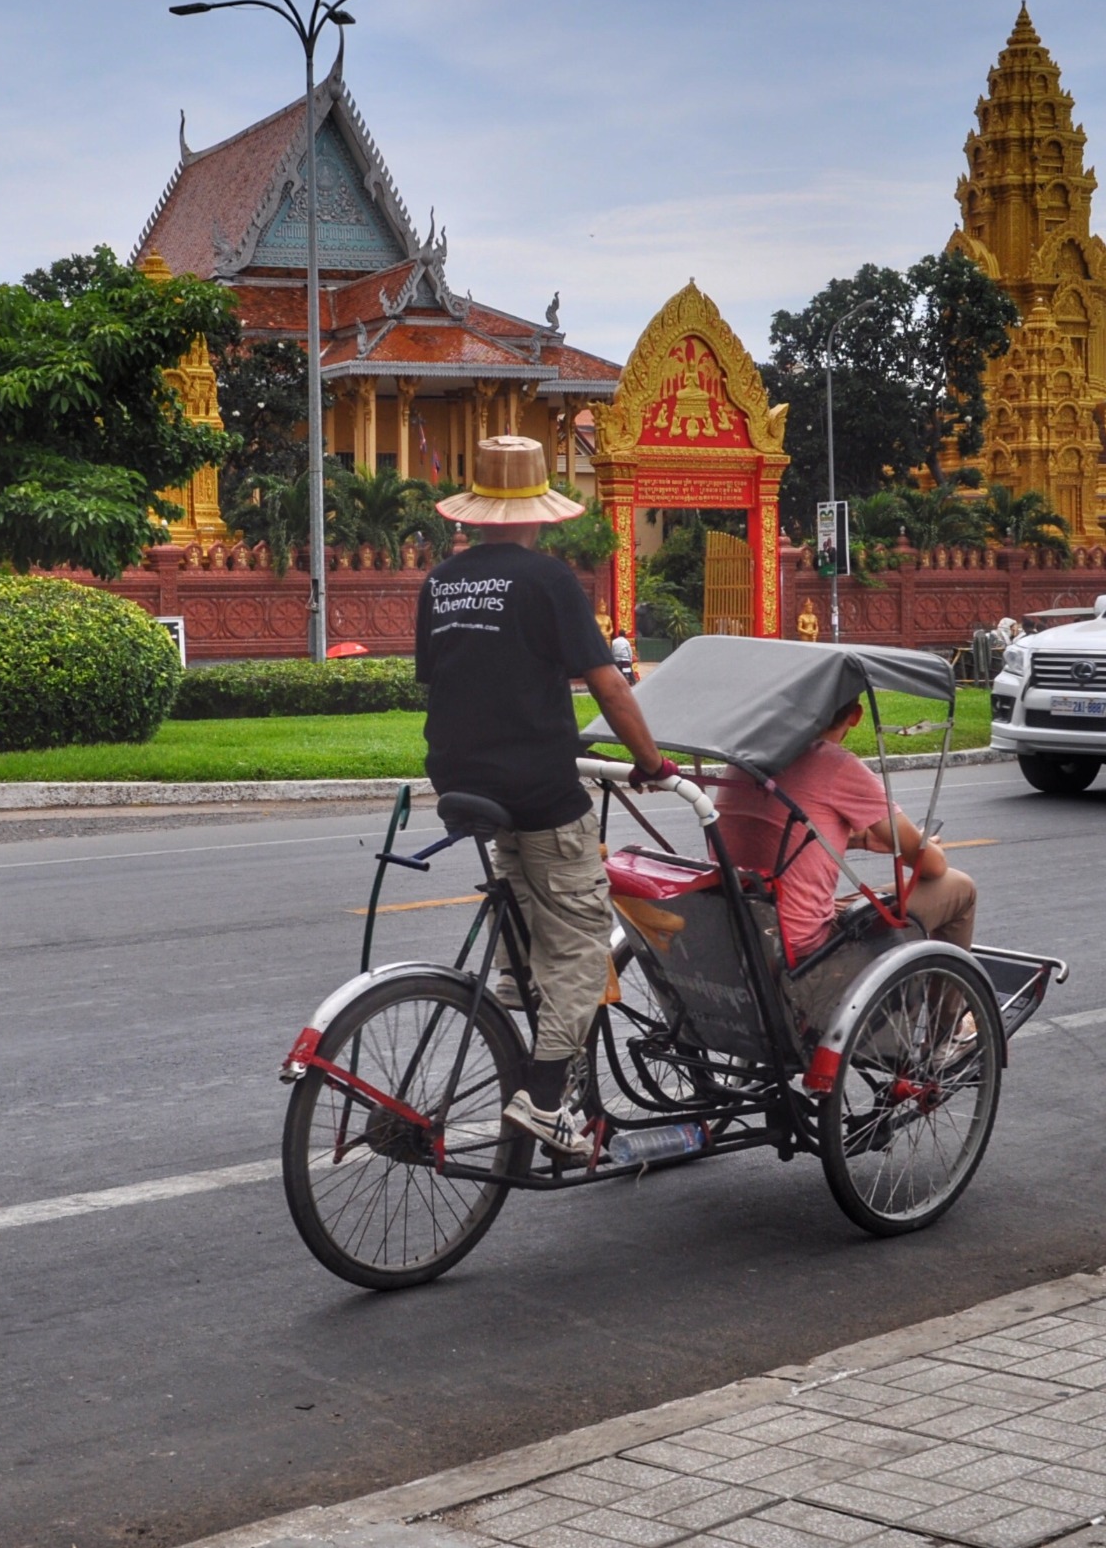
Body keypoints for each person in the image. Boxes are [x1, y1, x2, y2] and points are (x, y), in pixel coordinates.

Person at [417, 435, 672, 1154]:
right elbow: (609, 685)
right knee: (584, 947)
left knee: (526, 910)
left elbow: (445, 678)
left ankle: (514, 993)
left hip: (459, 777)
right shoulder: (550, 581)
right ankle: (547, 1095)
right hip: (536, 785)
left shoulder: (441, 581)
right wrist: (650, 763)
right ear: (537, 509)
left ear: (475, 512)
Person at [715, 697, 978, 964]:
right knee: (959, 886)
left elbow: (773, 832)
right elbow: (932, 865)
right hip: (802, 943)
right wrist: (925, 844)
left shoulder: (745, 756)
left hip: (737, 928)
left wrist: (859, 840)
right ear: (855, 716)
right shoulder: (834, 763)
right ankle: (953, 1006)